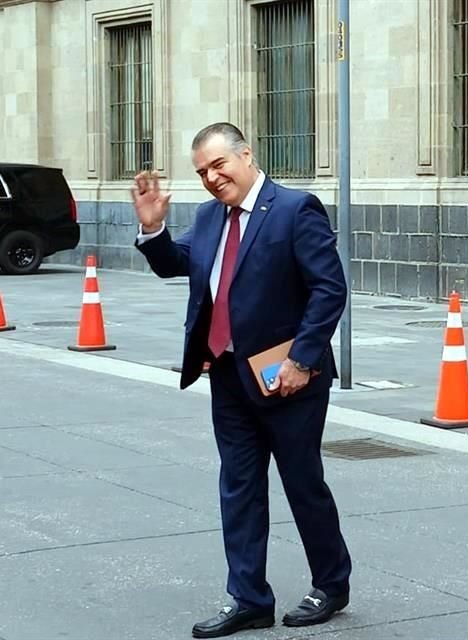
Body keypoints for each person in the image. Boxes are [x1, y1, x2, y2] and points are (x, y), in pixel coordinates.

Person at [132, 122, 352, 638]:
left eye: (218, 165)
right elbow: (180, 265)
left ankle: (333, 583)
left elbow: (328, 289)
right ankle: (250, 598)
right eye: (202, 172)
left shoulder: (296, 210)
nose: (211, 178)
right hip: (228, 375)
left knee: (303, 483)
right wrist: (154, 231)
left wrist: (302, 359)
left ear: (246, 156)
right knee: (239, 487)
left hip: (288, 377)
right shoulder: (210, 217)